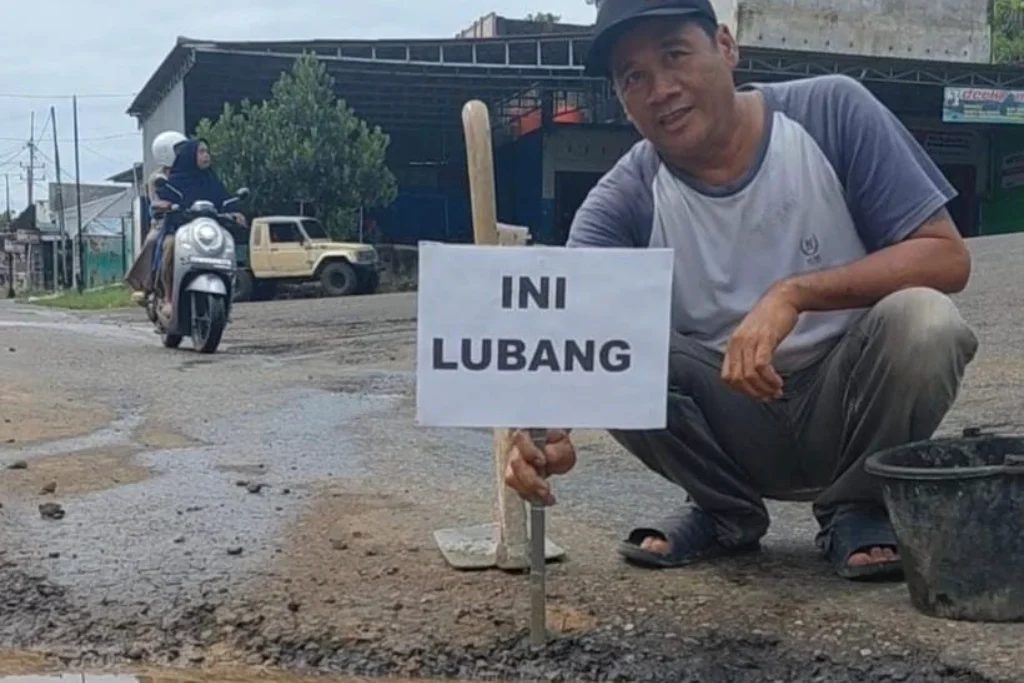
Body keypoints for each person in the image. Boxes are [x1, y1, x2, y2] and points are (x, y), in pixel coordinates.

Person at [502, 0, 978, 581]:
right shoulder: (622, 200)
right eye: (634, 77)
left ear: (726, 47)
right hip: (728, 422)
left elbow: (946, 256)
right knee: (619, 340)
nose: (661, 88)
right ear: (623, 101)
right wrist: (545, 434)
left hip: (850, 401)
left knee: (926, 322)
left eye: (675, 54)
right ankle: (724, 511)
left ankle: (858, 506)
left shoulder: (831, 112)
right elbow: (572, 329)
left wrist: (793, 294)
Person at [153, 137, 245, 319]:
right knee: (170, 246)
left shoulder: (212, 182)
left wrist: (235, 213)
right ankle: (169, 297)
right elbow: (160, 201)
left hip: (208, 234)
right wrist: (165, 206)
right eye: (201, 152)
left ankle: (228, 295)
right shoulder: (174, 182)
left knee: (227, 246)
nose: (206, 156)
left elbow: (225, 202)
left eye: (207, 151)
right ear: (189, 156)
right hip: (181, 232)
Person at [124, 130, 188, 300]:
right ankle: (150, 285)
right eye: (179, 150)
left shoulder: (190, 173)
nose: (183, 154)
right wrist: (165, 206)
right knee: (159, 242)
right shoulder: (157, 177)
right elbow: (155, 201)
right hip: (165, 223)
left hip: (189, 221)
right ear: (166, 152)